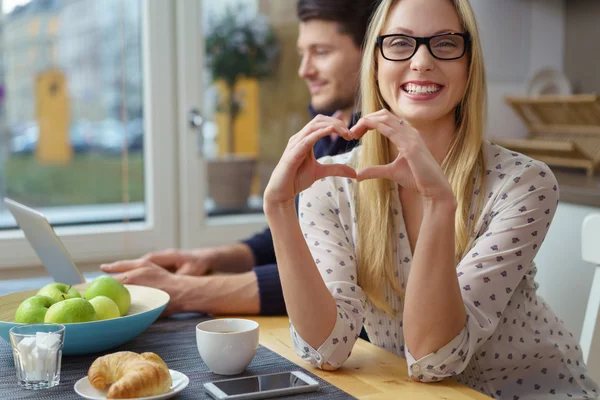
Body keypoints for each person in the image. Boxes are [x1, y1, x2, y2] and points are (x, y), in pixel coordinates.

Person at [263, 0, 600, 398]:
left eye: (444, 43)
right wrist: (280, 210)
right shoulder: (333, 185)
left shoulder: (524, 182)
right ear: (374, 64)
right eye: (400, 43)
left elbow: (434, 359)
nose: (422, 61)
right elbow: (326, 349)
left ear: (469, 66)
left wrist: (440, 202)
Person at [100, 0, 379, 317]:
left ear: (370, 52)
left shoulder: (376, 150)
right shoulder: (330, 134)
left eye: (322, 52)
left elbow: (333, 271)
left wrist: (182, 291)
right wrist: (211, 259)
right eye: (304, 53)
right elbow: (294, 239)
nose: (304, 70)